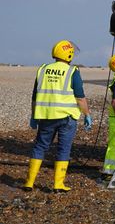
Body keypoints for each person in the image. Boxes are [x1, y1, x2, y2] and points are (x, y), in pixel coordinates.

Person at [23, 40, 92, 192]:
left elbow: (35, 96)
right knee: (63, 149)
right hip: (66, 119)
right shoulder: (72, 71)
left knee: (40, 147)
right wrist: (86, 114)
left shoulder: (42, 69)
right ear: (69, 54)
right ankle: (58, 184)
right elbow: (80, 97)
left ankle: (29, 182)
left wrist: (34, 115)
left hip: (46, 117)